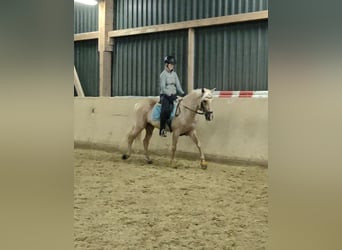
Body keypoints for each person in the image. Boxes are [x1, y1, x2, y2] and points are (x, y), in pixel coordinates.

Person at [159, 55, 185, 137]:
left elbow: (178, 86)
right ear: (166, 64)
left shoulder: (174, 74)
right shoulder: (163, 75)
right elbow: (163, 87)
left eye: (173, 65)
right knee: (166, 110)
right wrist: (169, 95)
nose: (172, 66)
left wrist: (183, 93)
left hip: (173, 95)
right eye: (170, 64)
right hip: (165, 95)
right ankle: (162, 129)